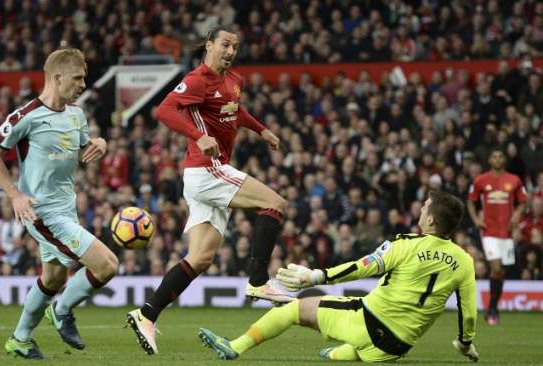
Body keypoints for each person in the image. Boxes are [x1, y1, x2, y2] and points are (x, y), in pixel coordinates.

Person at [126, 25, 291, 355]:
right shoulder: (198, 79)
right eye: (226, 44)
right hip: (205, 169)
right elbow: (165, 109)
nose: (231, 51)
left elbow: (235, 110)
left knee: (200, 258)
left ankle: (146, 314)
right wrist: (198, 136)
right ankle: (258, 281)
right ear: (209, 45)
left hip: (206, 176)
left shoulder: (234, 81)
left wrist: (262, 130)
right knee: (275, 203)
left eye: (236, 46)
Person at [199, 190, 479, 363]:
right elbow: (468, 314)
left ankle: (234, 347)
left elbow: (361, 267)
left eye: (425, 207)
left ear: (430, 220)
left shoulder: (405, 245)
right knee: (349, 347)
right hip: (396, 347)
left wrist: (316, 276)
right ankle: (336, 354)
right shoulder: (465, 262)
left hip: (368, 323)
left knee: (293, 309)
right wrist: (465, 344)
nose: (421, 209)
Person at [0, 48, 117, 359]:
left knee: (53, 277)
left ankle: (20, 338)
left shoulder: (76, 114)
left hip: (66, 209)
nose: (83, 84)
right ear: (57, 77)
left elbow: (86, 148)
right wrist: (14, 194)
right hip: (40, 211)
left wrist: (101, 144)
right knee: (107, 265)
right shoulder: (25, 116)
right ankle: (62, 310)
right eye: (78, 78)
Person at [467, 147, 527, 325]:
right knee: (496, 267)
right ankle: (493, 309)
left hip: (507, 232)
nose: (498, 159)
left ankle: (493, 305)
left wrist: (517, 215)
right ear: (490, 160)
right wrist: (476, 218)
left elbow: (523, 202)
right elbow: (471, 200)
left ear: (504, 160)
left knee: (501, 271)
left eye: (501, 156)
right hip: (489, 231)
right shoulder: (481, 180)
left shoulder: (514, 180)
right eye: (494, 156)